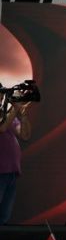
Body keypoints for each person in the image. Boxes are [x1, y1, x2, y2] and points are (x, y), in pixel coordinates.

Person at [0, 95, 31, 225]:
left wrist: (23, 115)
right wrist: (15, 108)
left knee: (4, 217)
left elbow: (25, 135)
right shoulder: (6, 116)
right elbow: (2, 127)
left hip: (11, 172)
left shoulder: (7, 115)